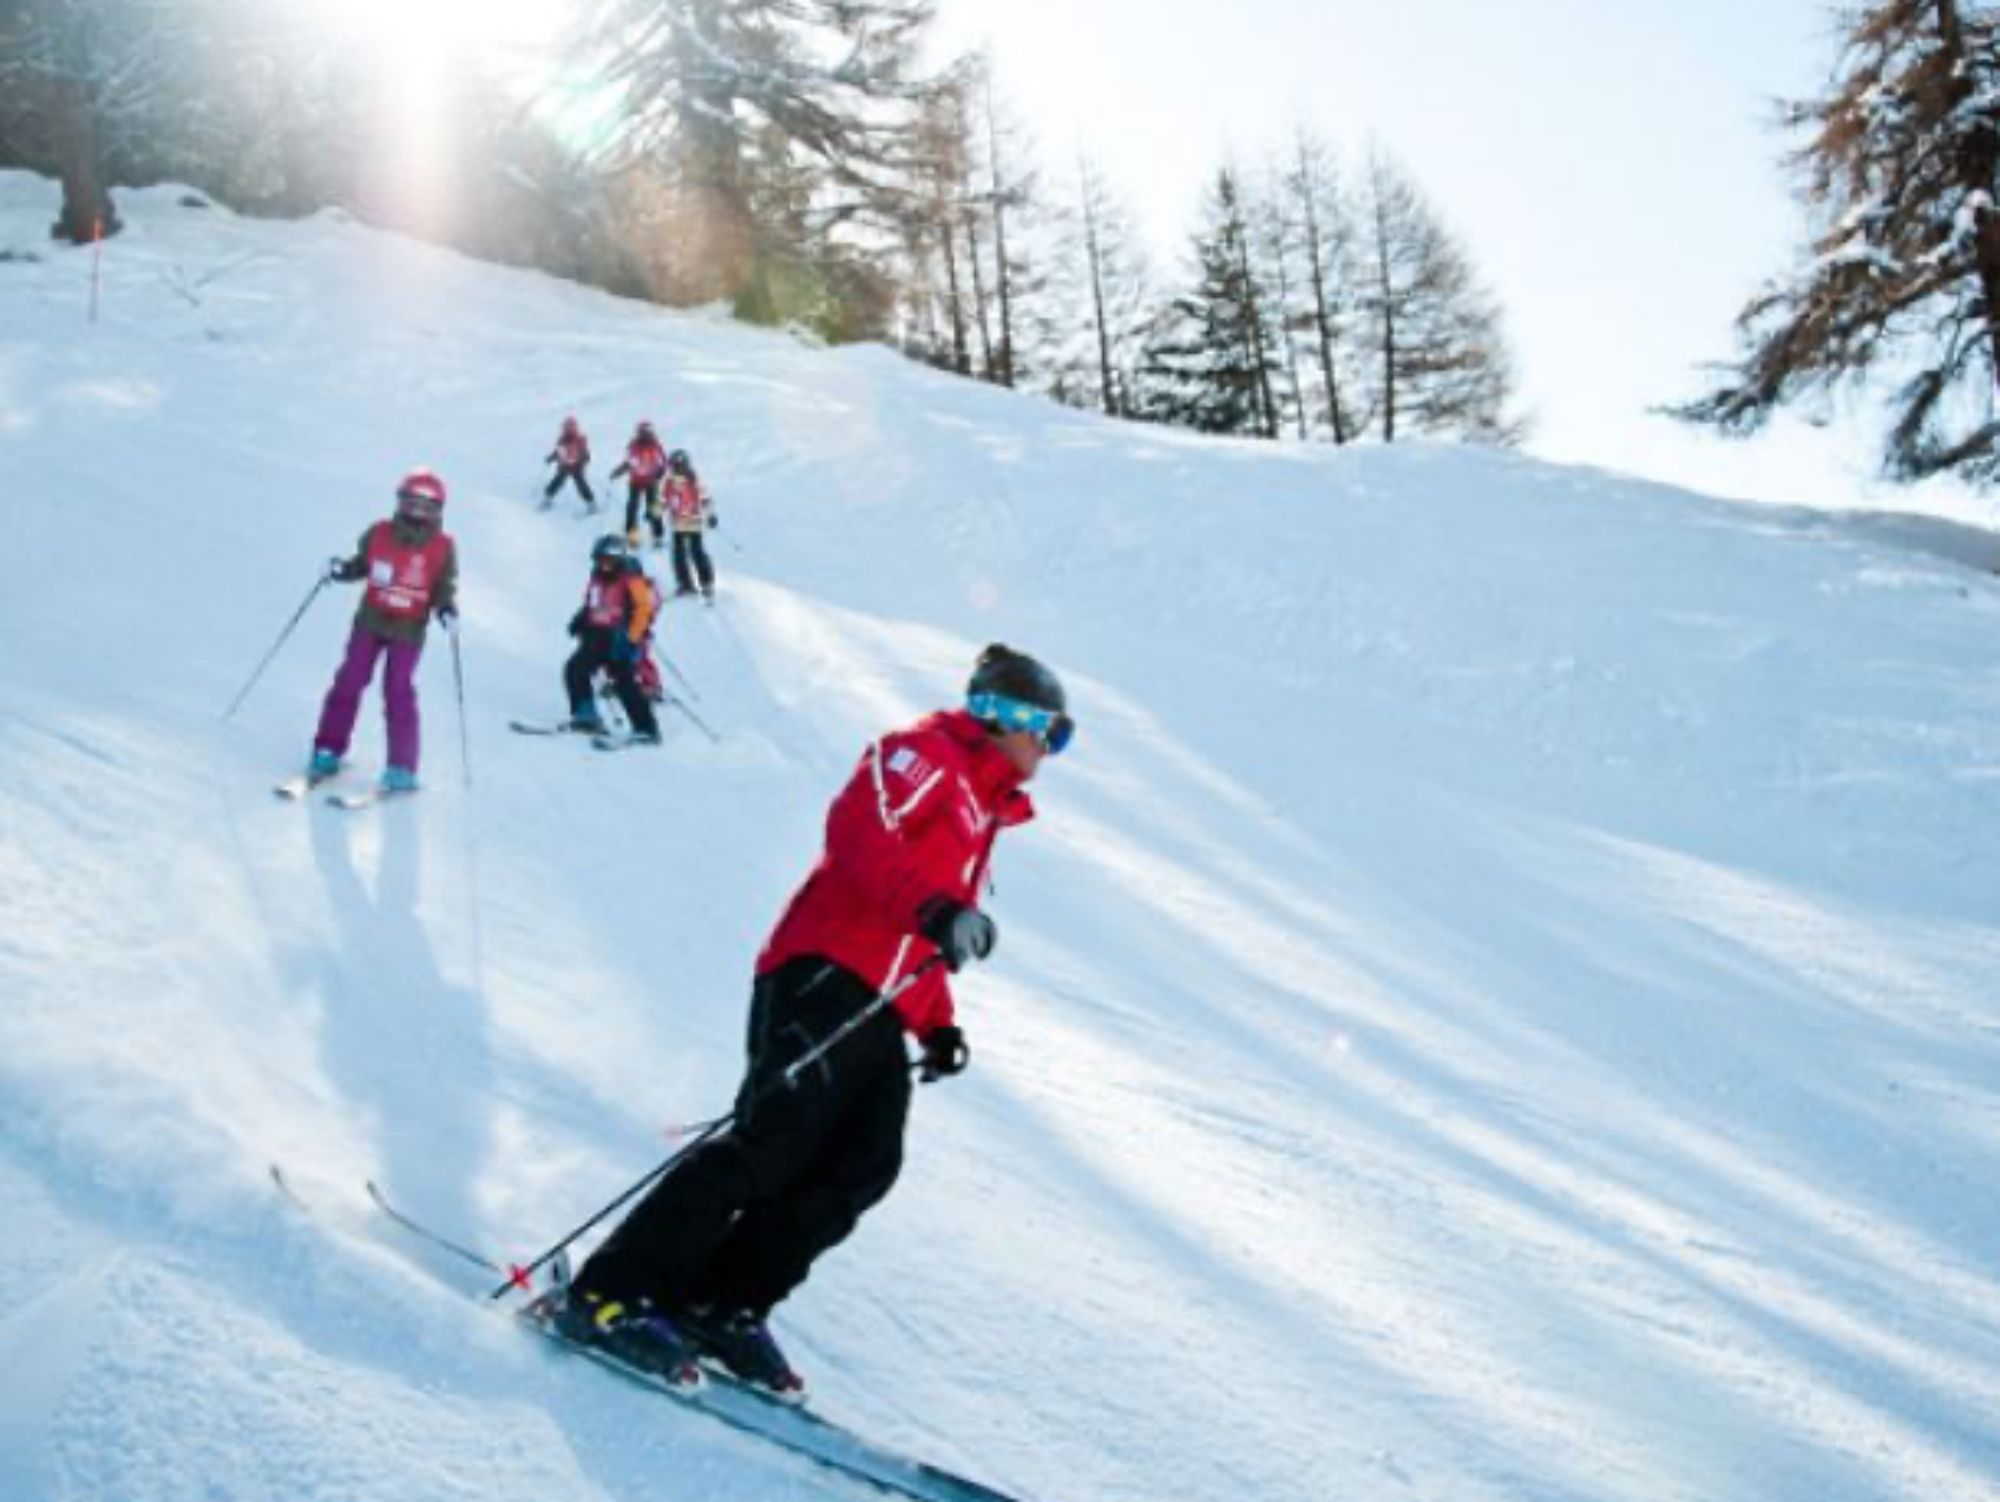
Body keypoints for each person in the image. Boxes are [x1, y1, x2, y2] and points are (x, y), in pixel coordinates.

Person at [553, 644, 1074, 1396]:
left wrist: (937, 1024)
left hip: (881, 1009)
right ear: (1005, 717)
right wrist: (937, 908)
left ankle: (719, 1304)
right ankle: (610, 1291)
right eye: (1049, 733)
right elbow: (858, 833)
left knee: (862, 1165)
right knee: (771, 1144)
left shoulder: (982, 808)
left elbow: (920, 939)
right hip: (821, 973)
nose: (1050, 752)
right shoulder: (923, 754)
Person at [308, 469, 459, 793]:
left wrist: (446, 609)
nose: (418, 513)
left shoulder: (442, 547)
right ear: (401, 503)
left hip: (408, 630)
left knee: (398, 691)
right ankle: (328, 748)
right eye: (412, 504)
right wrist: (341, 570)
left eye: (426, 507)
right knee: (349, 680)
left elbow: (443, 586)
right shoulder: (380, 533)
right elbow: (362, 564)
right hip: (371, 622)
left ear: (437, 511)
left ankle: (401, 766)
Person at [564, 534, 661, 743]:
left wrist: (631, 638)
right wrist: (580, 619)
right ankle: (586, 715)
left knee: (624, 683)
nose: (604, 565)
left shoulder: (631, 579)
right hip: (596, 637)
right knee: (574, 668)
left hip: (620, 638)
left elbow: (642, 609)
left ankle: (646, 729)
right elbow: (592, 604)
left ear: (618, 560)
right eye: (600, 560)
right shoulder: (596, 578)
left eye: (608, 561)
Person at [662, 448, 718, 600]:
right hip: (677, 524)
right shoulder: (669, 483)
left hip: (693, 522)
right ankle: (685, 583)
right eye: (674, 467)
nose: (677, 470)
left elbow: (706, 499)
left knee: (696, 552)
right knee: (679, 554)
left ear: (686, 465)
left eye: (680, 466)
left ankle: (706, 582)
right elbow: (665, 499)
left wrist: (711, 515)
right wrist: (656, 510)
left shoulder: (694, 481)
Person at [609, 420, 669, 549]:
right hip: (635, 482)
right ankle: (632, 536)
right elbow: (628, 463)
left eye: (648, 433)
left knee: (654, 509)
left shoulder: (655, 446)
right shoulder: (633, 446)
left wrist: (659, 473)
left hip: (650, 482)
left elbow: (664, 462)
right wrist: (617, 472)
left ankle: (658, 536)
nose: (646, 435)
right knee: (631, 509)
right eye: (643, 433)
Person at [543, 416, 595, 511]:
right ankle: (548, 498)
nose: (566, 429)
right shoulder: (561, 439)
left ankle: (590, 503)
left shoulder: (580, 439)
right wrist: (551, 458)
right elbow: (558, 452)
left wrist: (584, 459)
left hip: (577, 466)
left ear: (574, 428)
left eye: (568, 427)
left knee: (581, 484)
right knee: (558, 481)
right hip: (564, 466)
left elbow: (584, 451)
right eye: (565, 427)